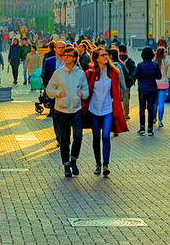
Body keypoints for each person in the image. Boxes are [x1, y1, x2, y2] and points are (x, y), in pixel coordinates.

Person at [84, 47, 128, 177]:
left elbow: (119, 89)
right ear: (96, 58)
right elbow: (86, 90)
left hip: (108, 109)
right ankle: (98, 163)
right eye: (102, 55)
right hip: (94, 109)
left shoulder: (114, 72)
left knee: (105, 136)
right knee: (96, 137)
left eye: (106, 55)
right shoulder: (90, 73)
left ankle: (105, 165)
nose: (105, 57)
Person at [45, 46, 88, 177]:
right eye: (64, 56)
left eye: (69, 56)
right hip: (61, 110)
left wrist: (82, 94)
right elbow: (49, 89)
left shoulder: (80, 74)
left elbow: (86, 90)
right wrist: (58, 93)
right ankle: (66, 165)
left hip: (76, 109)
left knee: (78, 135)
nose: (66, 58)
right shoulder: (58, 73)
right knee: (65, 139)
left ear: (75, 58)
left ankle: (73, 159)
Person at [134, 47, 162, 136]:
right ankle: (150, 129)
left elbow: (135, 75)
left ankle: (142, 128)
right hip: (153, 89)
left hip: (142, 90)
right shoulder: (155, 65)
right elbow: (159, 76)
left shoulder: (140, 65)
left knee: (142, 108)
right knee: (151, 109)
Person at [154, 46, 170, 129]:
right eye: (165, 52)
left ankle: (154, 118)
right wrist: (167, 78)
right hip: (164, 84)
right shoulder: (167, 62)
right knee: (161, 103)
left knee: (154, 103)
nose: (166, 54)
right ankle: (160, 121)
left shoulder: (154, 62)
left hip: (155, 84)